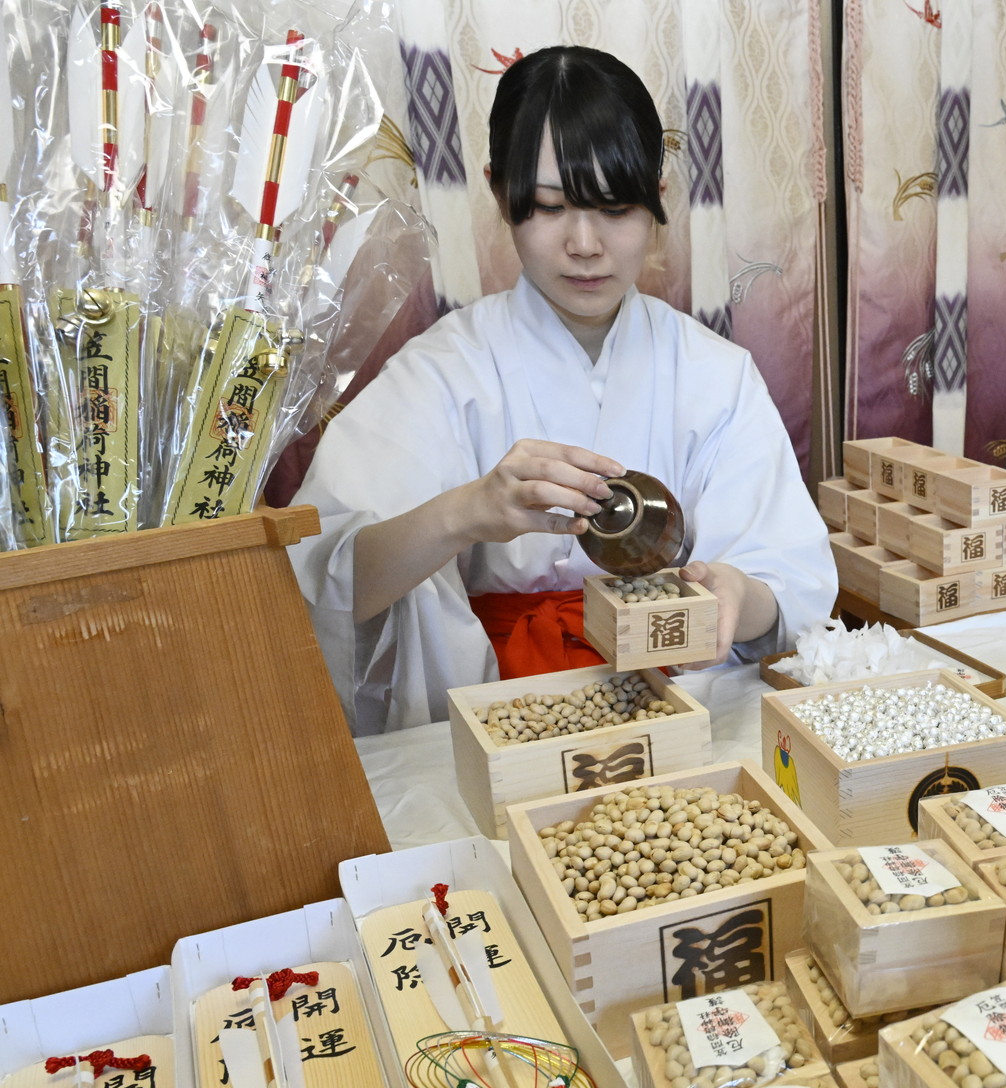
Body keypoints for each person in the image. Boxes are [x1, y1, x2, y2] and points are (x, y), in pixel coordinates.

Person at [291, 46, 834, 733]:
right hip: (489, 715)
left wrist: (738, 597)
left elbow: (789, 586)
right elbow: (322, 584)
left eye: (616, 207)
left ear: (657, 196)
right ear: (500, 194)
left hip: (681, 707)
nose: (584, 243)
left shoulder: (715, 374)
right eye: (549, 207)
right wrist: (465, 514)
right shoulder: (441, 372)